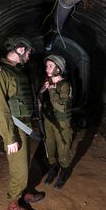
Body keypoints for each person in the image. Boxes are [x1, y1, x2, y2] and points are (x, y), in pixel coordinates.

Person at [0, 37, 44, 210]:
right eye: (27, 53)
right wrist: (9, 137)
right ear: (20, 49)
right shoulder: (0, 72)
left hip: (24, 124)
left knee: (24, 163)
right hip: (14, 128)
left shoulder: (16, 71)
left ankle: (23, 193)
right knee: (19, 168)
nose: (28, 57)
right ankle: (13, 204)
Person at [39, 54, 73, 189]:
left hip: (61, 122)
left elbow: (62, 107)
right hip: (48, 120)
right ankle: (53, 169)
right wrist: (44, 89)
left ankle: (64, 172)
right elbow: (41, 94)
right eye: (47, 66)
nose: (47, 68)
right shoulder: (49, 81)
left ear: (58, 69)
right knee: (50, 146)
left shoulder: (65, 85)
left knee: (63, 148)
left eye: (50, 66)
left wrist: (52, 91)